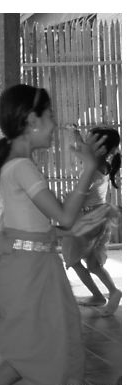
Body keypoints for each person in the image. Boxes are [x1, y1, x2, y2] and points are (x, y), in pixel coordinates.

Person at [0, 84, 108, 384]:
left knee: (35, 352)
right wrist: (89, 169)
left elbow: (37, 222)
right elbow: (64, 218)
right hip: (27, 273)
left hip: (29, 268)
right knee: (33, 353)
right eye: (50, 115)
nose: (55, 123)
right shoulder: (22, 167)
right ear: (32, 121)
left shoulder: (16, 165)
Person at [61, 126, 122, 316]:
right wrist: (76, 135)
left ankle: (108, 293)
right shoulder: (101, 163)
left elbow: (81, 195)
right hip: (98, 217)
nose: (85, 145)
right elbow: (84, 150)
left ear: (100, 149)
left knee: (72, 258)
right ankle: (105, 294)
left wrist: (67, 200)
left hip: (87, 219)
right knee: (93, 263)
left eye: (90, 142)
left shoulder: (93, 166)